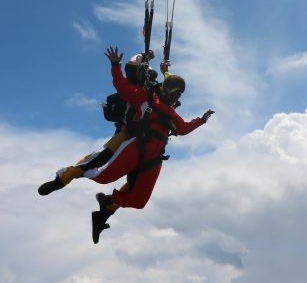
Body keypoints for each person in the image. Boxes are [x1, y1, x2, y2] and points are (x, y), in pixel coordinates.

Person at [38, 46, 214, 243]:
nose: (175, 98)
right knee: (102, 176)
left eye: (178, 95)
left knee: (139, 201)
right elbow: (121, 86)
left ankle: (106, 206)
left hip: (153, 160)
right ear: (164, 89)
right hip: (136, 148)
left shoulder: (171, 113)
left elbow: (182, 129)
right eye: (173, 93)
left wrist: (201, 120)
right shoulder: (145, 98)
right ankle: (64, 177)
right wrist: (115, 66)